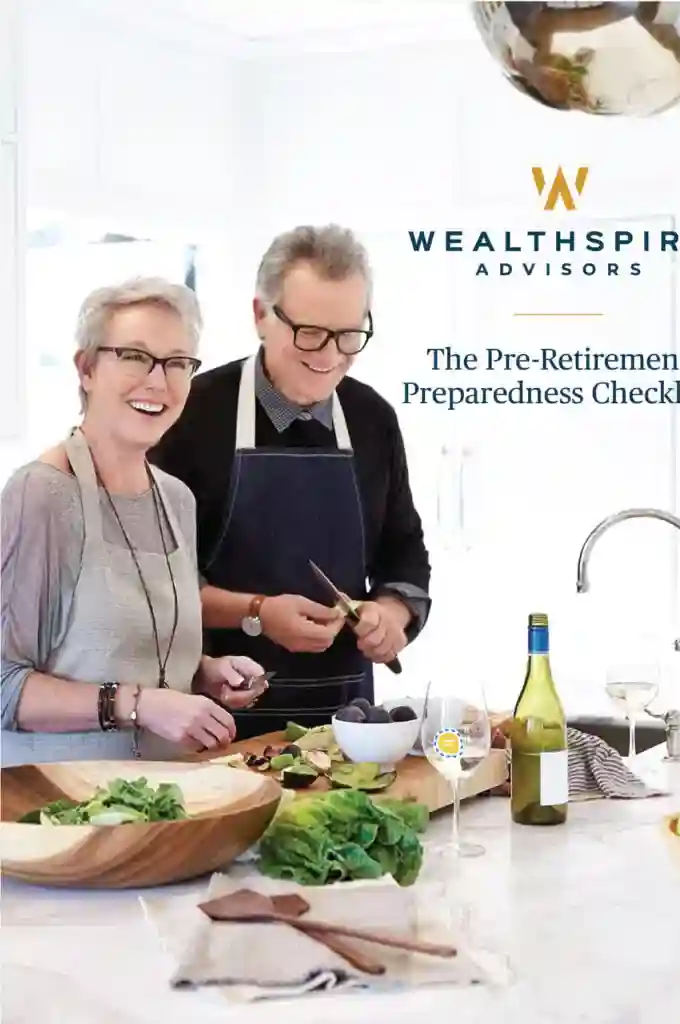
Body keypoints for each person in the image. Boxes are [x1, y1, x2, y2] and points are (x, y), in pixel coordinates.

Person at [150, 224, 432, 738]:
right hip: (214, 721)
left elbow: (405, 553)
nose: (329, 356)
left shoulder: (373, 418)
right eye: (309, 333)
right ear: (261, 315)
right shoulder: (190, 413)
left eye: (349, 334)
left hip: (348, 728)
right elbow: (153, 584)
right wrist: (256, 613)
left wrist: (391, 616)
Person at [1, 278, 269, 767]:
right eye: (134, 356)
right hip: (58, 814)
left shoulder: (175, 500)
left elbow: (130, 650)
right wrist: (142, 705)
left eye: (177, 363)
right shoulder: (41, 494)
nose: (158, 381)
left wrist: (204, 674)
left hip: (163, 804)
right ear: (86, 368)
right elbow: (4, 686)